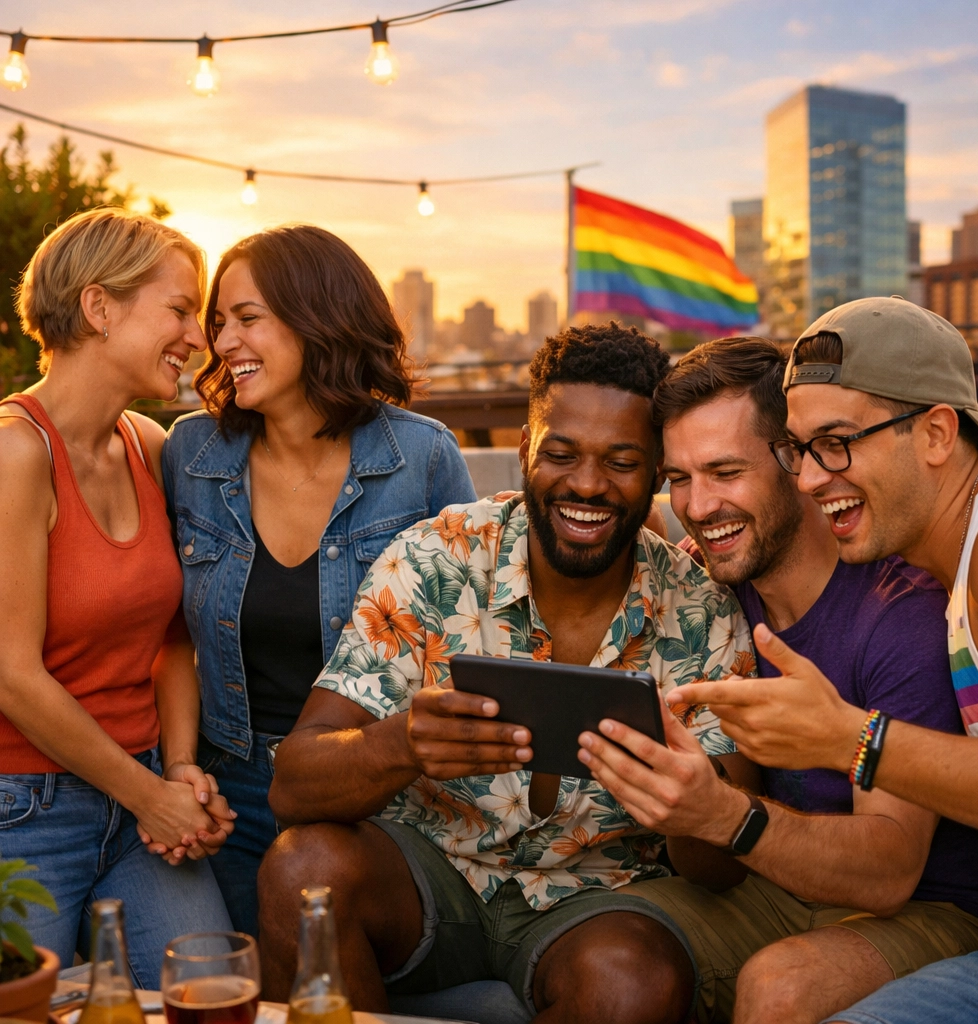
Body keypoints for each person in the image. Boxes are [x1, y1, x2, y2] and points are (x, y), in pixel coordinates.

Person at [257, 323, 756, 1024]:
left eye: (622, 461)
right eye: (561, 453)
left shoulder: (701, 610)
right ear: (525, 448)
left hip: (595, 901)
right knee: (301, 872)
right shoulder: (434, 560)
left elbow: (723, 867)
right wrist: (397, 745)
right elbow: (293, 785)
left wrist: (684, 799)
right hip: (428, 872)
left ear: (656, 472)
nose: (587, 483)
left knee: (630, 982)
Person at [575, 336, 978, 1024]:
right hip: (772, 884)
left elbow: (889, 871)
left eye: (724, 471)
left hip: (934, 907)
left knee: (783, 986)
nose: (699, 504)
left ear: (795, 463)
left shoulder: (900, 613)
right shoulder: (708, 576)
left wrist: (722, 816)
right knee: (591, 941)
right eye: (679, 477)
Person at [679, 297, 978, 1024]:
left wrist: (850, 739)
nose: (808, 479)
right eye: (798, 450)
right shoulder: (948, 554)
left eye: (838, 443)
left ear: (935, 433)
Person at [161, 225, 477, 936]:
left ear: (317, 319)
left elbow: (472, 637)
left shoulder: (421, 456)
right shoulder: (190, 453)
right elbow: (164, 632)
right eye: (218, 324)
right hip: (228, 789)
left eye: (247, 319)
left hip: (383, 792)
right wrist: (178, 769)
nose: (223, 343)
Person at [0, 208, 234, 988]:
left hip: (138, 801)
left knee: (213, 991)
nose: (197, 338)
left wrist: (175, 768)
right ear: (99, 308)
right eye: (177, 310)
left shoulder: (151, 444)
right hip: (23, 810)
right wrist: (151, 796)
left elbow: (172, 637)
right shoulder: (12, 452)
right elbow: (11, 672)